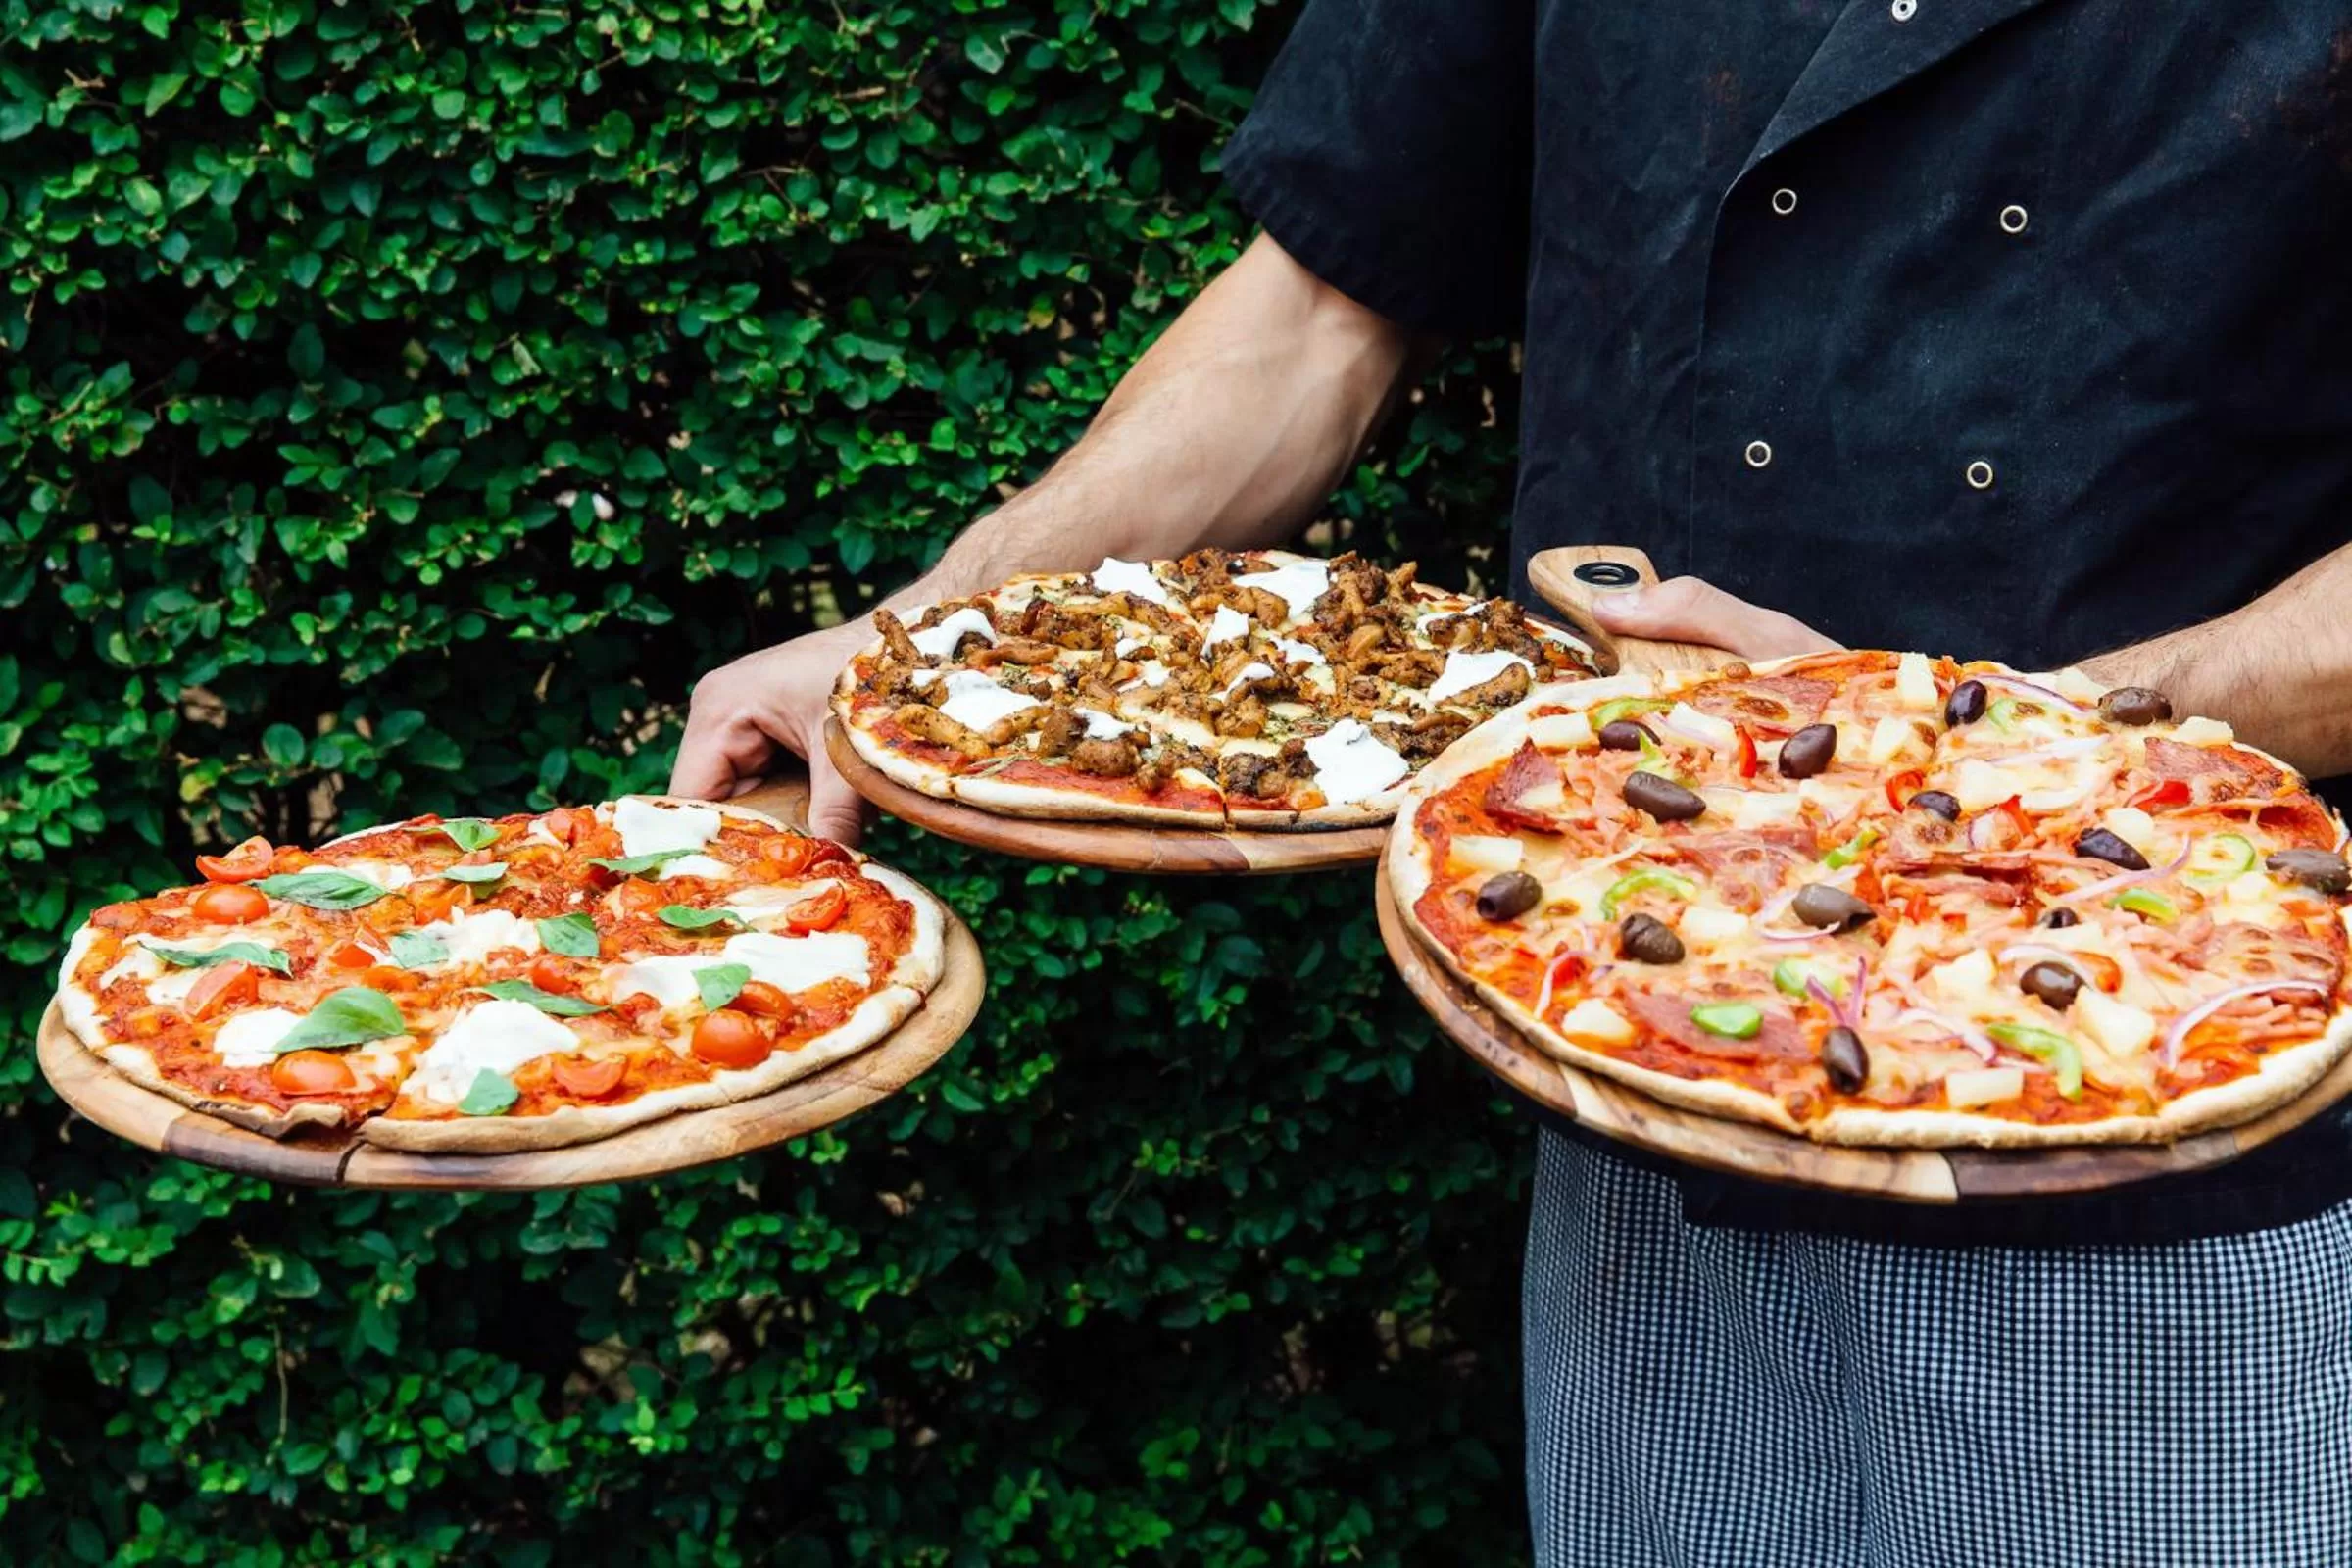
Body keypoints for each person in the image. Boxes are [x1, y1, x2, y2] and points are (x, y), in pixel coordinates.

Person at [673, 3, 2352, 1562]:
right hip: (1625, 1058)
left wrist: (1977, 745)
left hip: (2168, 1120)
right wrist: (930, 646)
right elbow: (1321, 304)